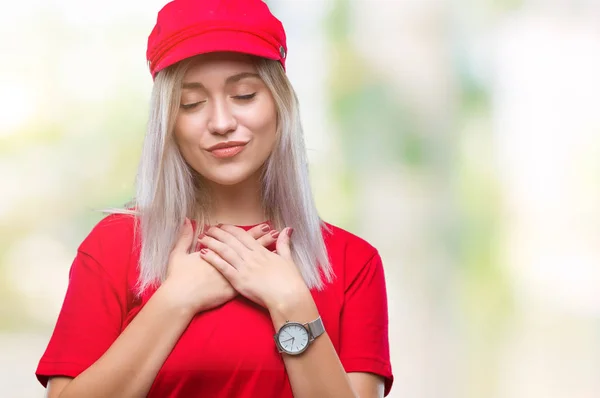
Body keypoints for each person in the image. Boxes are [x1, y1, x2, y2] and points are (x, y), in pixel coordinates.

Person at [35, 0, 394, 396]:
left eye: (243, 95)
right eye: (191, 103)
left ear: (279, 105)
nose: (221, 123)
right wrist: (174, 301)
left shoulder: (352, 262)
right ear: (169, 122)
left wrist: (291, 302)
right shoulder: (115, 245)